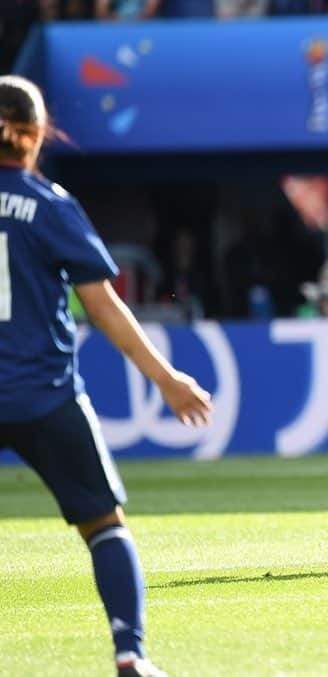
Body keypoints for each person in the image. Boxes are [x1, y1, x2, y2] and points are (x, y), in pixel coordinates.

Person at [0, 76, 211, 676]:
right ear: (40, 134)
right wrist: (165, 377)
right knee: (103, 527)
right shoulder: (49, 205)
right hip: (46, 397)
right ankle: (130, 654)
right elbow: (103, 306)